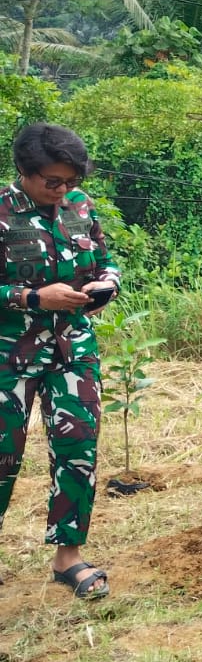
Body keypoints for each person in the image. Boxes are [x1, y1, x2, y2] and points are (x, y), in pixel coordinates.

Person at [0, 122, 120, 612]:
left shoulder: (80, 206)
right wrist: (32, 297)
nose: (63, 190)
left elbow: (105, 261)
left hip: (73, 350)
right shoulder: (2, 211)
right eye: (53, 181)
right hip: (10, 354)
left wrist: (106, 285)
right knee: (2, 454)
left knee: (78, 449)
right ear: (24, 171)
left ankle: (68, 556)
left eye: (70, 181)